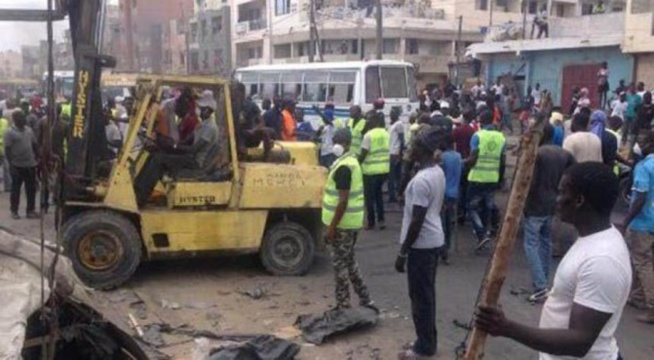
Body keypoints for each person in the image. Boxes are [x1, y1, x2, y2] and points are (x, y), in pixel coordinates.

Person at [476, 162, 632, 360]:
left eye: (562, 192)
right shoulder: (591, 240)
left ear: (579, 200)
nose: (556, 200)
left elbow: (579, 342)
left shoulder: (603, 260)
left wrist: (506, 327)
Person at [394, 128, 446, 360]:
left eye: (413, 146)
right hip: (433, 240)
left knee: (420, 298)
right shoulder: (436, 172)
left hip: (421, 246)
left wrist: (403, 252)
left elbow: (417, 219)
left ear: (422, 150)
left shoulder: (422, 181)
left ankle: (424, 349)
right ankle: (425, 340)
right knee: (426, 295)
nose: (409, 149)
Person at [135, 91, 220, 206]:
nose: (198, 109)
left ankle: (141, 196)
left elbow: (194, 149)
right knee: (155, 155)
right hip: (189, 157)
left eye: (201, 108)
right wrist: (169, 144)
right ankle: (137, 189)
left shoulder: (210, 128)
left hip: (195, 162)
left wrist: (174, 147)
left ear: (208, 110)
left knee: (159, 160)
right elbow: (186, 142)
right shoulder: (201, 124)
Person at [523, 119, 576, 303]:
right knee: (545, 242)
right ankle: (543, 283)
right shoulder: (564, 153)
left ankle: (539, 286)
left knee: (531, 244)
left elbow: (531, 181)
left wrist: (524, 204)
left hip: (536, 203)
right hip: (552, 202)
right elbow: (572, 174)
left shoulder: (538, 154)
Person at [322, 127, 374, 310]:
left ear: (343, 144)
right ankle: (366, 299)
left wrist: (331, 228)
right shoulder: (351, 162)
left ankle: (343, 305)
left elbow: (342, 201)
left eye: (336, 141)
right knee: (350, 263)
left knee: (340, 266)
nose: (334, 144)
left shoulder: (344, 167)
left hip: (342, 225)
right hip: (351, 223)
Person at [617, 130, 654, 324]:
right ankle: (638, 297)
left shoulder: (644, 166)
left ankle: (652, 307)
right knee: (646, 260)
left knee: (642, 262)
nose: (638, 144)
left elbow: (640, 196)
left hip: (643, 221)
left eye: (642, 141)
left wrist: (625, 222)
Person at [465, 110, 506, 250]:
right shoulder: (501, 137)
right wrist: (500, 178)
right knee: (487, 206)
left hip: (476, 177)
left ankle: (481, 233)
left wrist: (464, 165)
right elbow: (502, 160)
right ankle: (487, 231)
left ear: (480, 122)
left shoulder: (477, 136)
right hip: (492, 178)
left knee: (471, 207)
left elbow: (473, 157)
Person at [4, 110, 39, 219]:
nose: (24, 120)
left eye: (24, 117)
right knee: (16, 190)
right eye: (21, 118)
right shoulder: (10, 132)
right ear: (15, 119)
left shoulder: (29, 130)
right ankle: (14, 211)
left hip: (30, 164)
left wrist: (37, 158)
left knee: (31, 189)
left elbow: (34, 145)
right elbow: (7, 150)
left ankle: (30, 211)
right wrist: (11, 164)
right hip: (17, 165)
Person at [359, 112, 390, 230]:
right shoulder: (386, 133)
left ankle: (371, 222)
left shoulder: (369, 135)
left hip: (370, 171)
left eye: (369, 120)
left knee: (369, 198)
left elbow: (363, 155)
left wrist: (356, 164)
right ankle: (381, 220)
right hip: (384, 170)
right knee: (379, 196)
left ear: (374, 121)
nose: (367, 122)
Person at [440, 132, 462, 264]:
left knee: (442, 223)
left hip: (444, 193)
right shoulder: (458, 156)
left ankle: (442, 249)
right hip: (454, 193)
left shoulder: (443, 157)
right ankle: (446, 247)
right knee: (449, 223)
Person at [388, 107, 404, 203]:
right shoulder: (392, 125)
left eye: (392, 113)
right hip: (391, 152)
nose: (390, 115)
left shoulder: (399, 125)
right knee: (395, 176)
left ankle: (394, 195)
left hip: (395, 152)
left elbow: (402, 140)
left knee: (392, 176)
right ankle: (396, 194)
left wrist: (400, 154)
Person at [314, 103, 337, 167]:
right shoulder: (324, 127)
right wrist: (318, 132)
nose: (323, 119)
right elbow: (316, 137)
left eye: (324, 117)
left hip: (330, 153)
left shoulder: (333, 126)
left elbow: (328, 121)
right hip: (322, 152)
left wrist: (319, 112)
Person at [0, 112, 9, 192]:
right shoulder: (5, 122)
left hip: (3, 147)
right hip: (4, 147)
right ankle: (8, 186)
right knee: (6, 167)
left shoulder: (4, 122)